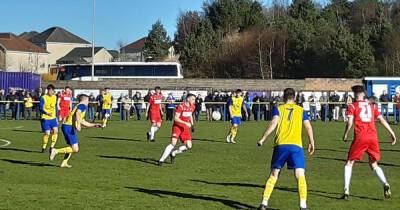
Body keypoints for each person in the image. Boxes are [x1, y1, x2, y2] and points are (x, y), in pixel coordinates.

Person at [257, 88, 315, 210]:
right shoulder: (301, 110)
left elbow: (273, 123)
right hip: (296, 147)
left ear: (284, 97)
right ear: (294, 98)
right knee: (300, 174)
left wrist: (263, 138)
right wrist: (311, 142)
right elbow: (308, 127)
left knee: (274, 174)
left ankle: (264, 203)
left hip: (281, 145)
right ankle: (303, 205)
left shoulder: (278, 109)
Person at [342, 85, 396, 200]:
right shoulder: (372, 106)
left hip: (361, 137)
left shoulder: (352, 105)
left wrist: (346, 133)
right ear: (364, 94)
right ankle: (385, 183)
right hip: (373, 137)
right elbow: (381, 120)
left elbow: (350, 122)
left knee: (349, 163)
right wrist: (392, 132)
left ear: (355, 95)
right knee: (374, 164)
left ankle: (346, 191)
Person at [50, 94, 102, 168]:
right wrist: (78, 124)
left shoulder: (79, 106)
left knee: (71, 147)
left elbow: (82, 121)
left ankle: (64, 162)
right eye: (87, 100)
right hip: (69, 127)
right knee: (75, 149)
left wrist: (94, 125)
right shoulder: (82, 105)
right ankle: (55, 151)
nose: (88, 102)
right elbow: (77, 114)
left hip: (66, 126)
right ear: (84, 100)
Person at [158, 94, 196, 166]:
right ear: (188, 99)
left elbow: (190, 115)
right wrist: (185, 123)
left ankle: (173, 153)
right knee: (173, 143)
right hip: (177, 127)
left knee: (189, 146)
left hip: (185, 129)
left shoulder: (193, 107)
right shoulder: (180, 106)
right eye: (193, 99)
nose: (194, 101)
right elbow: (176, 118)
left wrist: (192, 124)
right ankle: (161, 160)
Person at [39, 84, 59, 153]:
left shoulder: (55, 97)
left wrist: (57, 116)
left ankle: (52, 147)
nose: (53, 92)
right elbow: (40, 108)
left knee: (56, 131)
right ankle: (44, 147)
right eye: (52, 91)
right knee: (47, 133)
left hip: (53, 118)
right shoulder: (43, 98)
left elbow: (55, 107)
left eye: (53, 91)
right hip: (45, 118)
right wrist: (46, 113)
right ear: (48, 90)